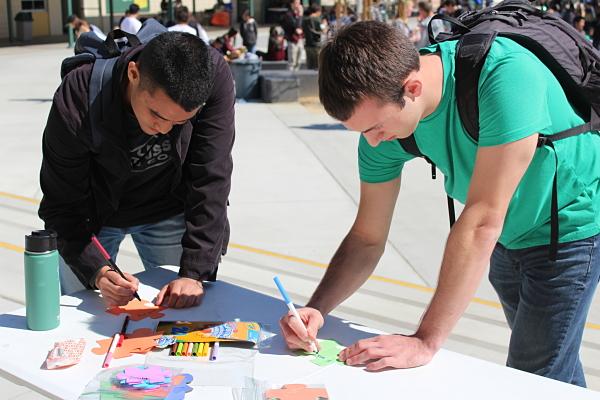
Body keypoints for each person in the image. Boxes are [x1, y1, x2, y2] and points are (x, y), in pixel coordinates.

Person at [279, 21, 600, 387]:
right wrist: (316, 308)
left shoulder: (504, 75)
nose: (372, 143)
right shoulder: (385, 124)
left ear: (412, 88)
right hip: (508, 237)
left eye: (375, 128)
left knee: (532, 377)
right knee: (555, 370)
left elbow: (482, 220)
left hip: (568, 225)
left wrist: (424, 341)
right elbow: (368, 237)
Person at [39, 31, 235, 309]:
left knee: (183, 310)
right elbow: (61, 205)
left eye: (180, 122)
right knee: (83, 318)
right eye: (157, 114)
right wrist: (98, 271)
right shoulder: (79, 95)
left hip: (168, 206)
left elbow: (212, 177)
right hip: (92, 221)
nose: (164, 129)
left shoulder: (211, 75)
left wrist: (194, 272)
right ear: (134, 74)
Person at [281, 0, 304, 70]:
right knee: (292, 62)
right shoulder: (288, 14)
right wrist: (300, 15)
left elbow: (301, 27)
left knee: (299, 61)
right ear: (292, 4)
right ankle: (290, 79)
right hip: (292, 40)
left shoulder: (298, 14)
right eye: (296, 3)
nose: (298, 5)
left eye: (299, 3)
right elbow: (296, 26)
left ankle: (296, 78)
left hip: (300, 39)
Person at [302, 4, 323, 70]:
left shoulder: (304, 20)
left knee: (309, 65)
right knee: (317, 66)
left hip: (308, 44)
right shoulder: (317, 20)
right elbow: (320, 31)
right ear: (318, 11)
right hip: (316, 45)